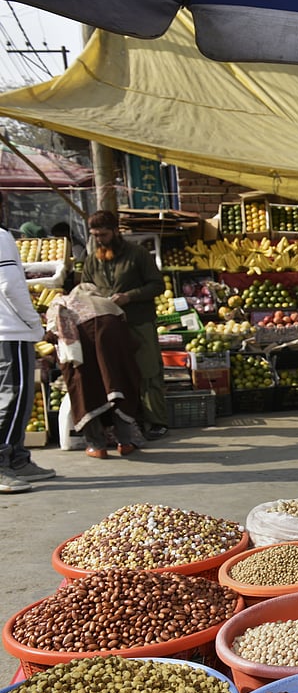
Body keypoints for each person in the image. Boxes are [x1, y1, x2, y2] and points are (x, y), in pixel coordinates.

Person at [78, 210, 169, 439]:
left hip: (139, 322)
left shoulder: (137, 254)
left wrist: (130, 296)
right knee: (116, 375)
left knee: (148, 372)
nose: (99, 239)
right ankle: (127, 422)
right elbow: (84, 289)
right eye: (95, 235)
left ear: (116, 231)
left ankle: (157, 421)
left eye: (103, 234)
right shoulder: (92, 260)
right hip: (108, 327)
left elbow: (158, 286)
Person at [45, 284, 143, 458]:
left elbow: (51, 334)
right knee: (118, 387)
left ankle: (97, 446)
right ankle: (125, 443)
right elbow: (129, 338)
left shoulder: (63, 303)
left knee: (86, 391)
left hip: (82, 352)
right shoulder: (108, 304)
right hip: (114, 352)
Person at [0, 227, 57, 492]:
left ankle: (18, 459)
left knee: (8, 396)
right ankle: (3, 464)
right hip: (10, 331)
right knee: (16, 395)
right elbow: (10, 284)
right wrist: (35, 324)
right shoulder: (1, 237)